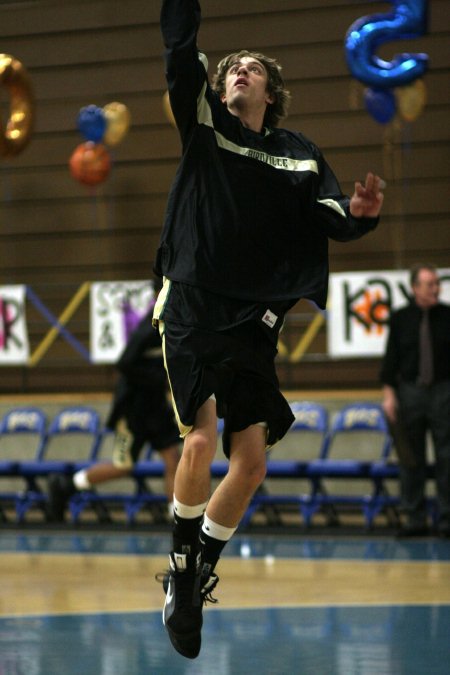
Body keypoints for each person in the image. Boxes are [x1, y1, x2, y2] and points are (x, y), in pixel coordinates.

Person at [155, 0, 384, 660]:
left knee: (251, 464)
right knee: (198, 443)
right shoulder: (203, 126)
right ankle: (184, 572)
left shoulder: (298, 156)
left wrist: (359, 216)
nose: (241, 72)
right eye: (233, 68)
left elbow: (333, 211)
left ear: (271, 91)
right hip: (195, 305)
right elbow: (181, 55)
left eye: (253, 68)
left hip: (253, 322)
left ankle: (198, 569)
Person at [47, 302, 181, 523]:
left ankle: (177, 517)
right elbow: (124, 363)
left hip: (155, 406)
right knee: (124, 466)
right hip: (133, 408)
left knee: (173, 458)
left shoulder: (173, 326)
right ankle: (66, 485)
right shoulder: (150, 327)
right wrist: (157, 379)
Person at [380, 264, 450, 538]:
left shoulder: (447, 316)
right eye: (429, 284)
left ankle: (446, 520)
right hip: (410, 393)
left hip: (444, 392)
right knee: (411, 460)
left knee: (447, 457)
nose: (436, 288)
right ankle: (414, 518)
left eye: (436, 283)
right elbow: (390, 360)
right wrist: (389, 396)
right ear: (414, 288)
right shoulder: (400, 319)